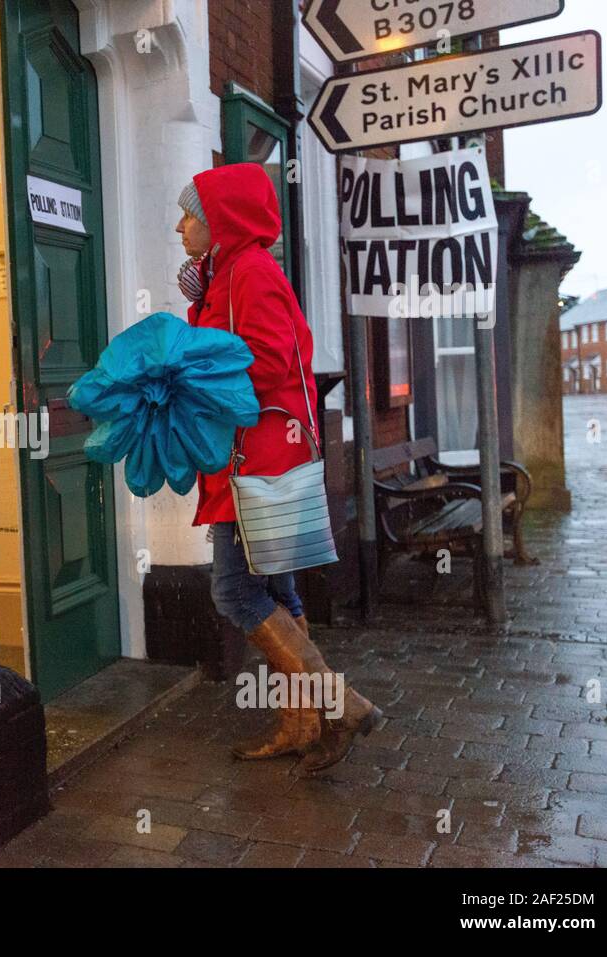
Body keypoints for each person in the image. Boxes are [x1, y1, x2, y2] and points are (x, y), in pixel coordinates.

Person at [175, 163, 381, 774]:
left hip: (255, 463)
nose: (181, 226)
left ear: (224, 223)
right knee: (277, 589)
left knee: (234, 590)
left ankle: (340, 702)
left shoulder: (249, 273)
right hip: (262, 455)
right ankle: (301, 725)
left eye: (192, 215)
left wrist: (183, 373)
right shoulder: (233, 274)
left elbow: (270, 364)